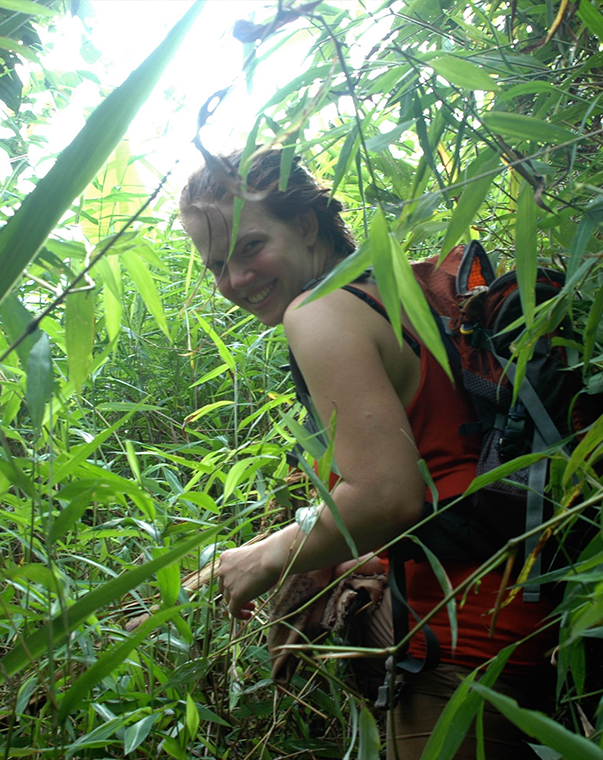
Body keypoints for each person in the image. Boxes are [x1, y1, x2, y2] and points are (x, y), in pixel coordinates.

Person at [179, 148, 557, 760]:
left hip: (460, 635)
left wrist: (260, 559)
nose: (236, 280)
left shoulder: (318, 311)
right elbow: (443, 458)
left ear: (305, 225)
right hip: (533, 601)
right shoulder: (400, 285)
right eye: (217, 264)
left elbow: (387, 494)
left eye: (251, 247)